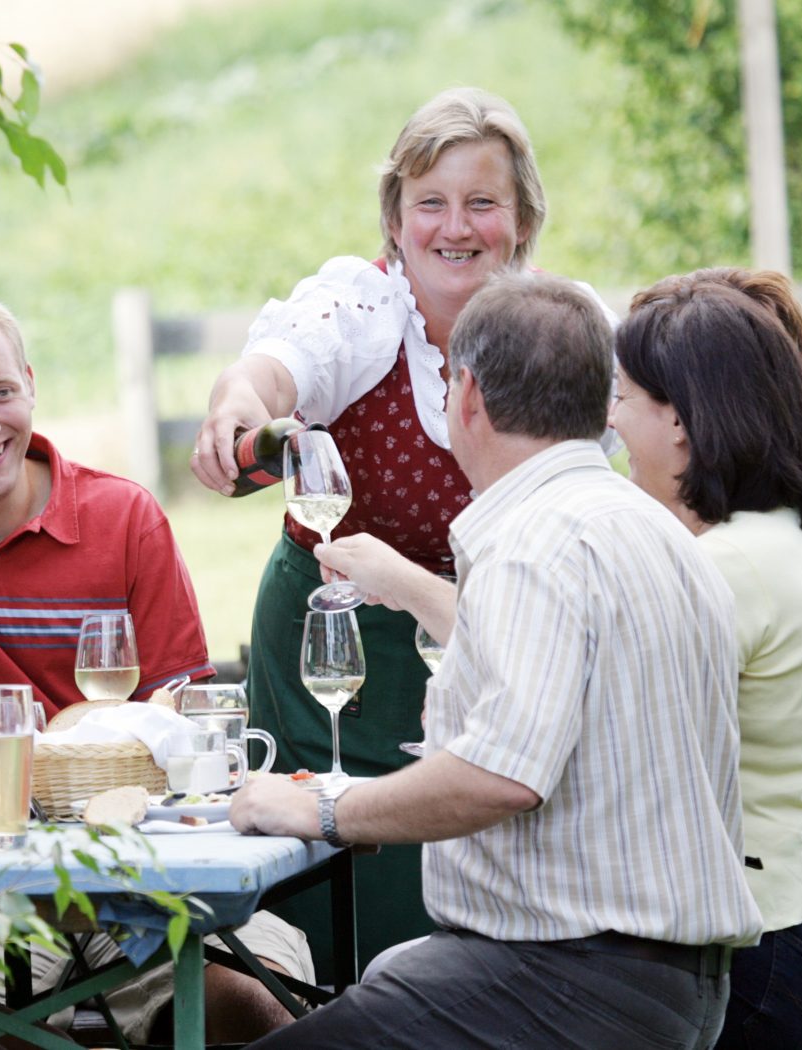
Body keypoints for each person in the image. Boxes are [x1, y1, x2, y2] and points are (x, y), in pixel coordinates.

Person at [230, 271, 764, 1049]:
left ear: (467, 395)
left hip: (565, 981)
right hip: (675, 982)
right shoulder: (653, 531)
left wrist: (324, 811)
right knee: (385, 980)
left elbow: (501, 774)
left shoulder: (531, 545)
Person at [0, 286, 310, 1046]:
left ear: (31, 383)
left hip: (130, 866)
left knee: (249, 1005)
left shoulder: (124, 518)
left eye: (2, 393)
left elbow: (188, 728)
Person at [188, 86, 615, 968]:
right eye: (431, 202)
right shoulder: (360, 308)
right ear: (395, 217)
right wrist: (235, 408)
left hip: (493, 645)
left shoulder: (562, 330)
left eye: (481, 202)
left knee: (474, 877)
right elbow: (267, 376)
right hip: (330, 647)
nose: (454, 227)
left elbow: (633, 467)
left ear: (523, 220)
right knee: (333, 884)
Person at [611, 268, 802, 1049]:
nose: (612, 422)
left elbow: (598, 723)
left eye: (622, 397)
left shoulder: (728, 568)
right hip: (787, 927)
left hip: (749, 950)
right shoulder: (777, 537)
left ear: (678, 419)